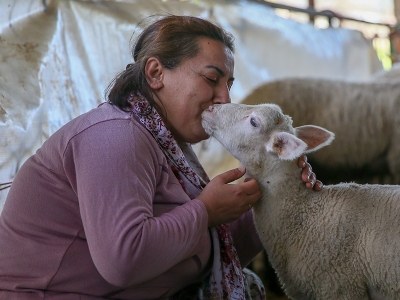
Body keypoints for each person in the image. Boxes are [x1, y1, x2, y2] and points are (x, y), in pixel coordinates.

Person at [0, 15, 322, 299]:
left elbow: (211, 249)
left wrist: (274, 194)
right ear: (155, 73)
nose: (224, 98)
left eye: (228, 84)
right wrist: (206, 210)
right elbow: (123, 261)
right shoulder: (115, 136)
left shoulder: (172, 147)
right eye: (212, 79)